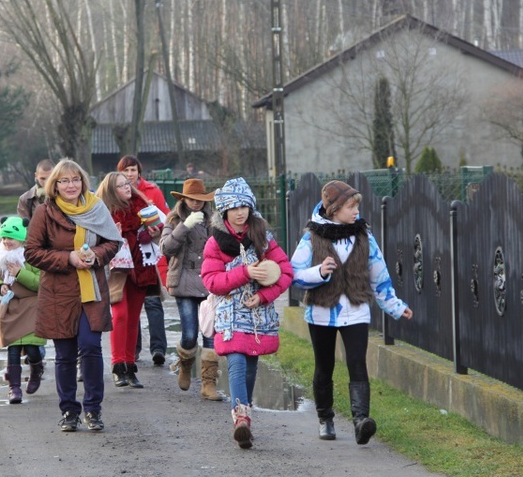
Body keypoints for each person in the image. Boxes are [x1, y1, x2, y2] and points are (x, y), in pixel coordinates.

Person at [291, 180, 413, 445]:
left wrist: (395, 306)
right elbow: (295, 275)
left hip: (356, 310)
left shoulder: (365, 237)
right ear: (334, 209)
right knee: (325, 367)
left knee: (358, 364)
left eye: (356, 205)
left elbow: (380, 277)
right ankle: (325, 418)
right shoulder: (311, 237)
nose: (356, 211)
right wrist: (319, 272)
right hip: (321, 312)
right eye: (350, 206)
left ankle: (361, 421)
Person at [24, 158, 120, 432]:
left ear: (83, 182)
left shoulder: (96, 207)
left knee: (90, 347)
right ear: (54, 184)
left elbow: (112, 242)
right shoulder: (45, 212)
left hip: (91, 290)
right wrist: (69, 258)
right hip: (58, 293)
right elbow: (31, 252)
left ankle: (93, 409)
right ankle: (69, 411)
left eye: (75, 180)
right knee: (65, 355)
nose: (70, 185)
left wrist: (96, 256)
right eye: (64, 180)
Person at [201, 178, 293, 449]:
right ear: (224, 211)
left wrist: (264, 295)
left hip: (257, 315)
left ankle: (245, 416)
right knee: (238, 363)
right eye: (234, 207)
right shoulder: (215, 242)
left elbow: (285, 272)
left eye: (244, 206)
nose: (240, 212)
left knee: (251, 366)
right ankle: (241, 418)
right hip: (230, 315)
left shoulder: (264, 236)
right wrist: (246, 272)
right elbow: (211, 281)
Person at [96, 171, 163, 389]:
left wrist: (153, 233)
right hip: (116, 271)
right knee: (121, 315)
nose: (127, 187)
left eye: (127, 184)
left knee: (133, 318)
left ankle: (130, 366)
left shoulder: (142, 205)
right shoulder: (103, 212)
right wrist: (112, 235)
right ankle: (117, 365)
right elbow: (96, 242)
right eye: (121, 185)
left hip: (141, 266)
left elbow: (155, 233)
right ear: (111, 191)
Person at [160, 178, 222, 401]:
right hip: (184, 281)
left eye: (200, 200)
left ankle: (208, 384)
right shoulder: (174, 218)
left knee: (210, 336)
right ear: (184, 199)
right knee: (189, 334)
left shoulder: (214, 220)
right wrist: (184, 227)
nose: (196, 203)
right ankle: (185, 364)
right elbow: (166, 248)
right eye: (191, 199)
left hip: (209, 282)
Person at [117, 155, 170, 366]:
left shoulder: (152, 192)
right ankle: (134, 350)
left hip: (149, 255)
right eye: (125, 171)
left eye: (133, 170)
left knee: (153, 302)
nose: (130, 174)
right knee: (131, 307)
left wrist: (155, 230)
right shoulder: (115, 195)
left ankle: (158, 349)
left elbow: (166, 218)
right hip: (126, 257)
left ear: (139, 172)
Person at [0, 216, 47, 404]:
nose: (6, 241)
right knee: (12, 349)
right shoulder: (0, 258)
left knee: (32, 348)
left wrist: (20, 274)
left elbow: (41, 282)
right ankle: (14, 388)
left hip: (31, 307)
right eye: (4, 237)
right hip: (11, 308)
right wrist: (0, 285)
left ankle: (36, 369)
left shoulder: (30, 257)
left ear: (21, 238)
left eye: (11, 238)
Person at [18, 159, 54, 364]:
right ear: (35, 176)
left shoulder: (64, 194)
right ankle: (37, 350)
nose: (47, 182)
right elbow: (25, 230)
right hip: (37, 256)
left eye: (50, 178)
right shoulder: (26, 199)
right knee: (36, 304)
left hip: (61, 253)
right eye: (43, 179)